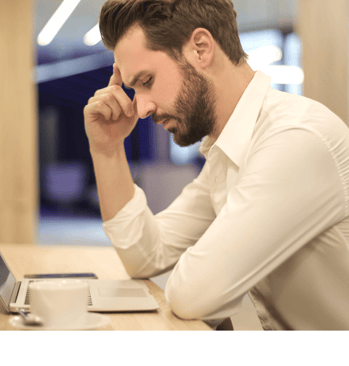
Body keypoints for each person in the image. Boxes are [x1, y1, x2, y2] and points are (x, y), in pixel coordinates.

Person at [83, 0, 349, 330]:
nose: (141, 109)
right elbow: (146, 255)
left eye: (147, 81)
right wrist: (107, 147)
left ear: (201, 48)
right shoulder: (228, 153)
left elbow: (194, 293)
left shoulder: (295, 139)